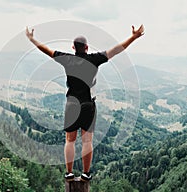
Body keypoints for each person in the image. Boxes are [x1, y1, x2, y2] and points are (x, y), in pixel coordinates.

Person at [26, 24, 144, 181]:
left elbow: (46, 50)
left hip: (71, 104)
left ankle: (69, 173)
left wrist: (32, 39)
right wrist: (133, 37)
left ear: (73, 47)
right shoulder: (94, 59)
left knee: (70, 140)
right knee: (87, 140)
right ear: (87, 47)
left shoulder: (67, 59)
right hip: (88, 105)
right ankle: (86, 173)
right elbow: (117, 50)